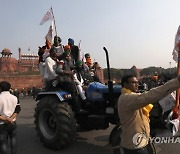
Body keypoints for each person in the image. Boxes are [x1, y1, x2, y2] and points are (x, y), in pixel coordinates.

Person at [118, 74, 180, 154]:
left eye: (137, 82)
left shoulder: (131, 97)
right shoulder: (126, 98)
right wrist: (176, 82)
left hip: (142, 142)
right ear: (125, 84)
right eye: (133, 82)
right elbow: (150, 95)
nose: (137, 84)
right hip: (135, 147)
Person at [0, 81, 21, 154]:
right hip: (12, 122)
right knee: (13, 139)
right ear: (9, 88)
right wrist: (11, 119)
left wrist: (6, 119)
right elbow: (18, 110)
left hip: (2, 123)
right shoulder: (14, 97)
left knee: (3, 143)